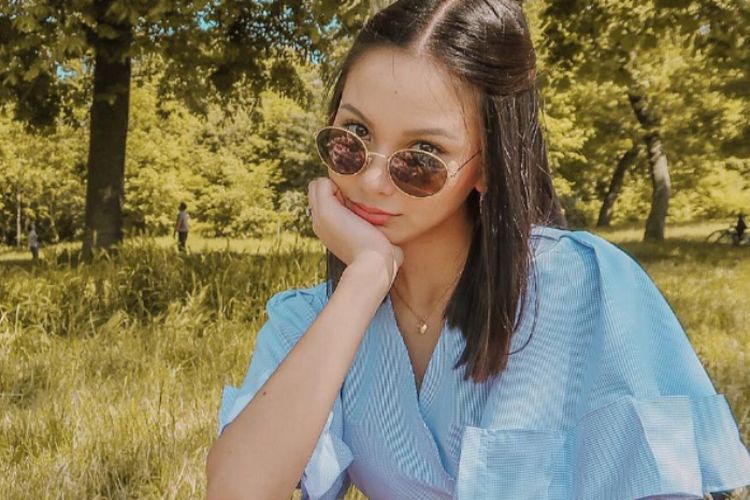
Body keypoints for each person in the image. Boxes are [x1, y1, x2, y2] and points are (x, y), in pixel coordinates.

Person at [206, 1, 750, 499]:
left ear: (488, 165)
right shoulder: (311, 319)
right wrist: (365, 276)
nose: (371, 181)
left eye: (422, 155)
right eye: (354, 135)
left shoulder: (583, 286)